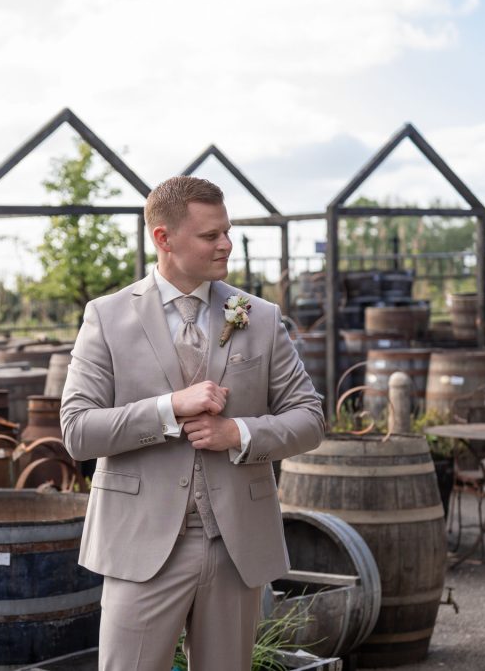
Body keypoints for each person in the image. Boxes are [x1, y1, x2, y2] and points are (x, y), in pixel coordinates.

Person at [60, 176, 324, 670]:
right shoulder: (107, 317)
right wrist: (169, 408)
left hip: (235, 544)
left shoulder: (260, 316)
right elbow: (77, 431)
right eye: (210, 235)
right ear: (163, 238)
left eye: (227, 231)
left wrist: (238, 433)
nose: (226, 244)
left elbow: (310, 418)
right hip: (140, 543)